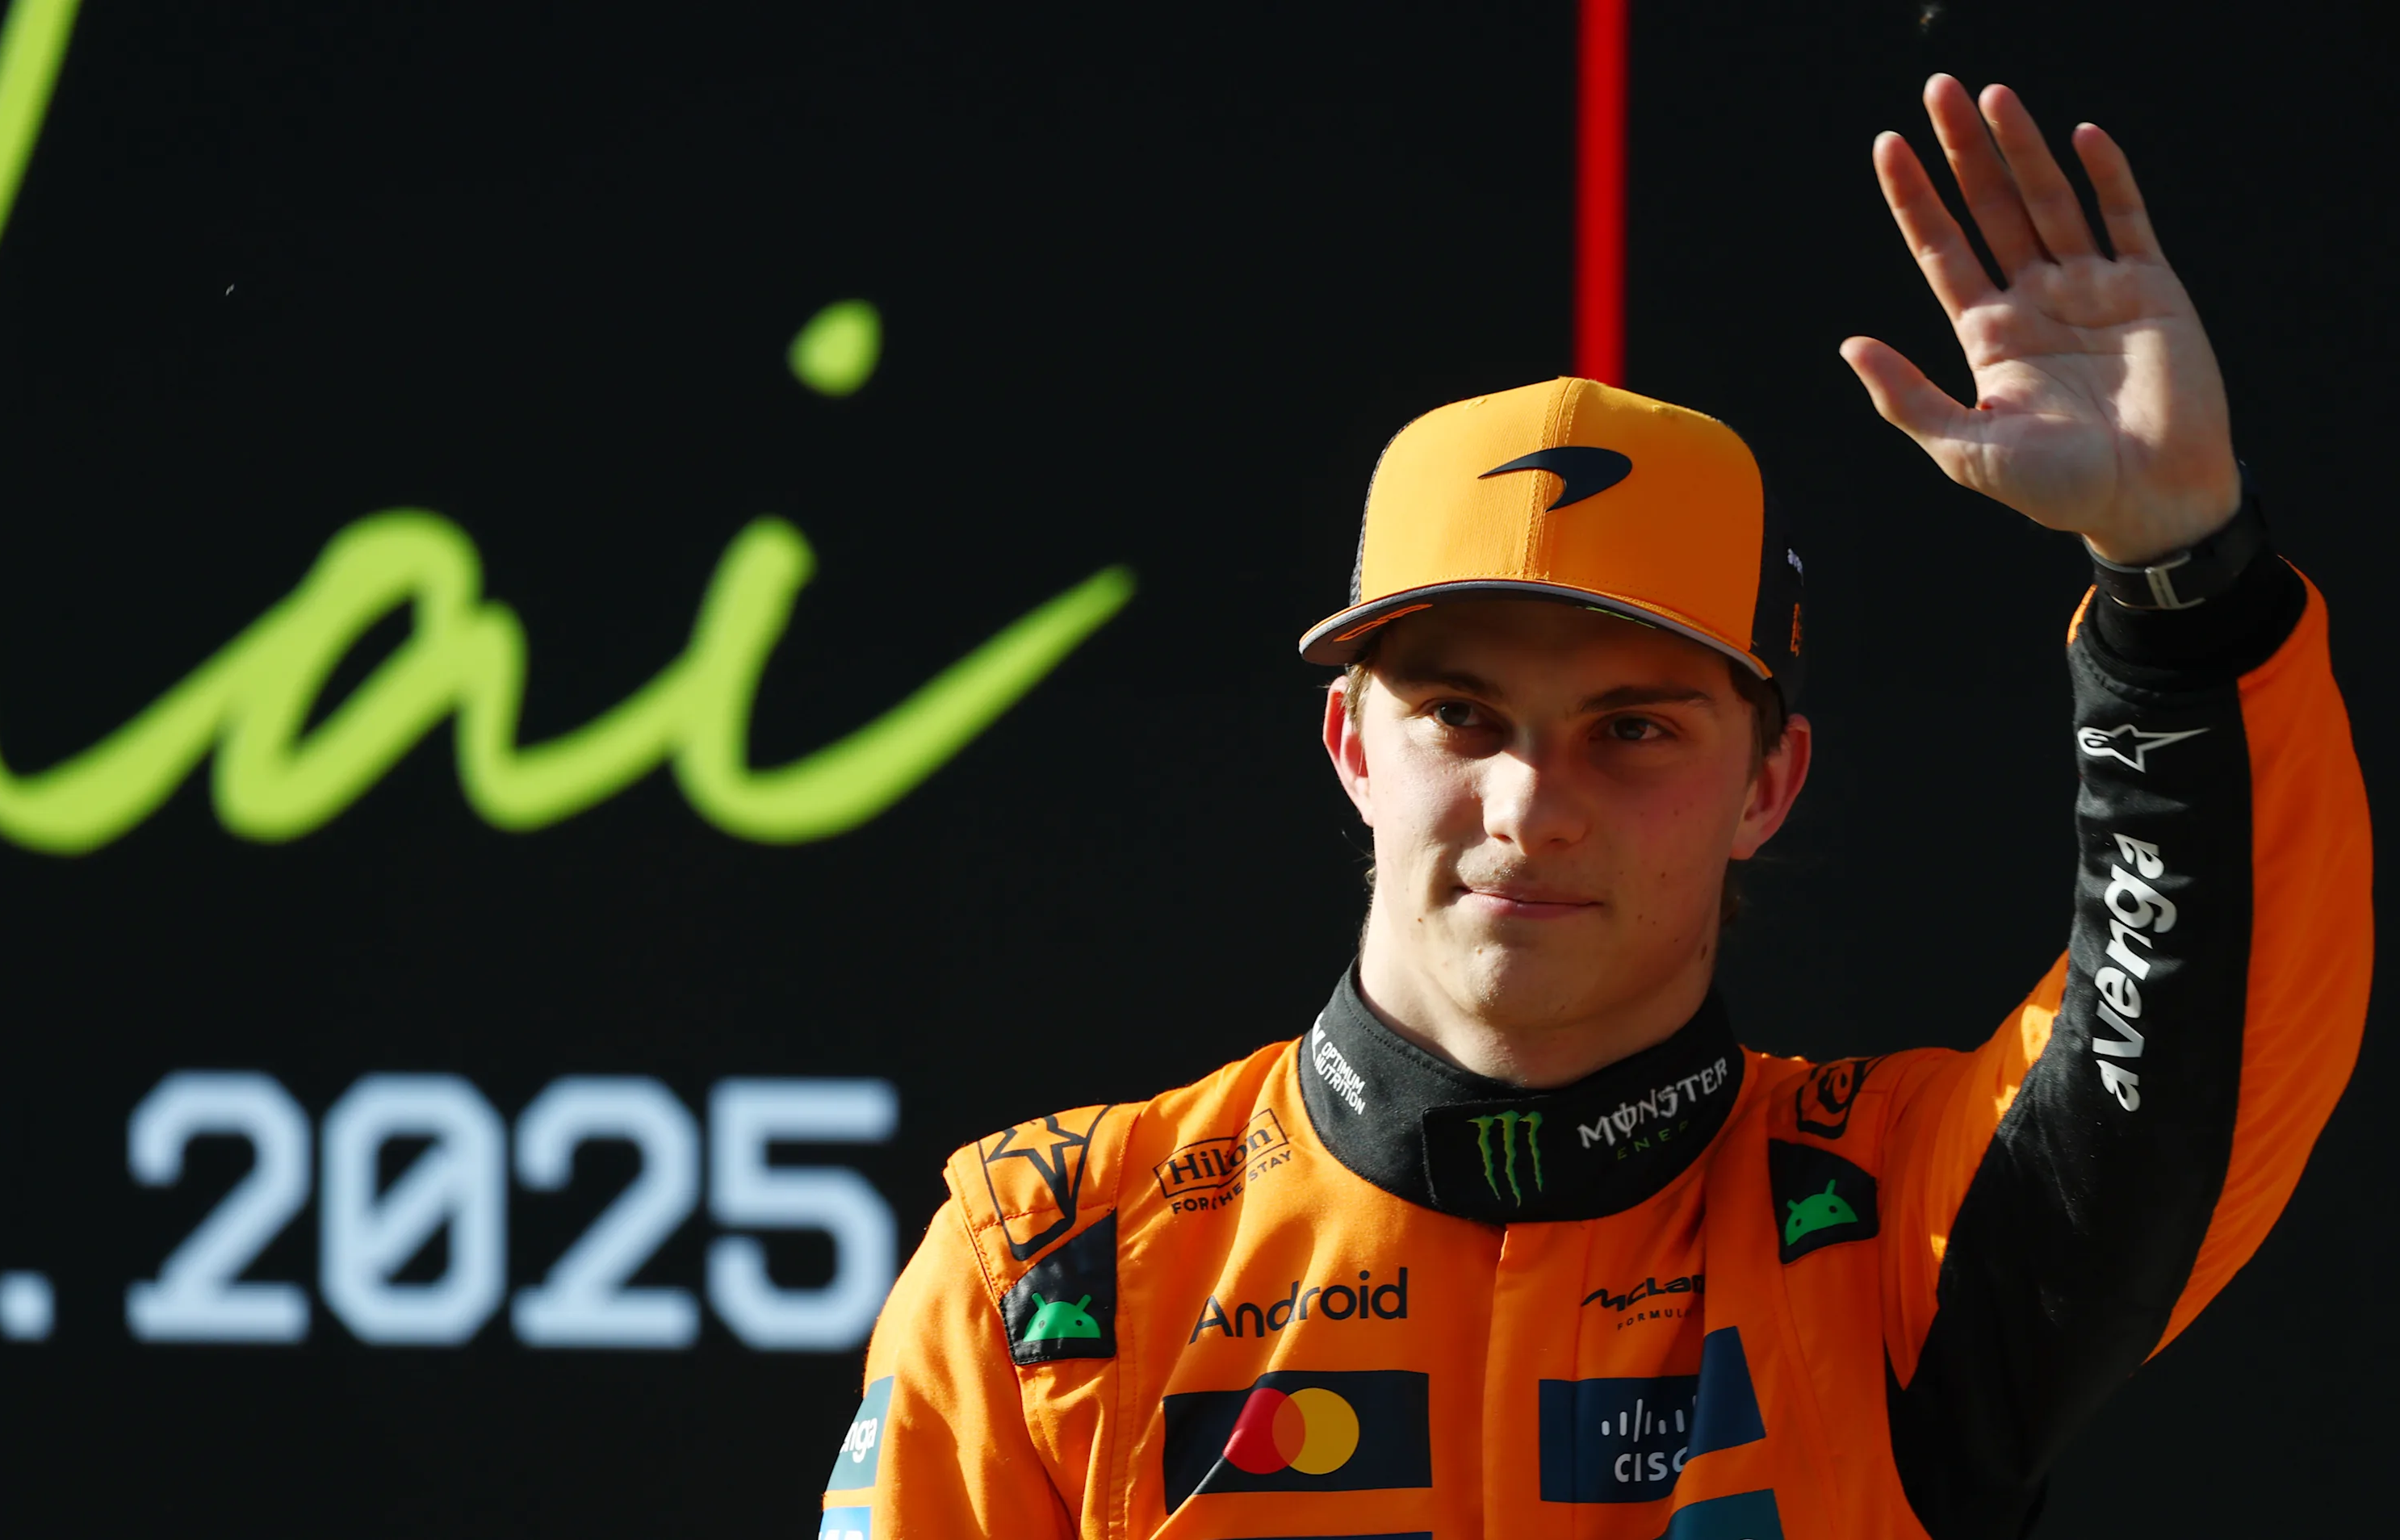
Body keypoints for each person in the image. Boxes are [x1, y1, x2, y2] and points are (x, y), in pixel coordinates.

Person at [814, 75, 2369, 1540]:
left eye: (1632, 729)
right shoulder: (1058, 1263)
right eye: (1462, 715)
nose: (1532, 803)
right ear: (1354, 747)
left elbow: (2204, 1053)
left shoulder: (1895, 1232)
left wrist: (2182, 584)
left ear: (1771, 784)